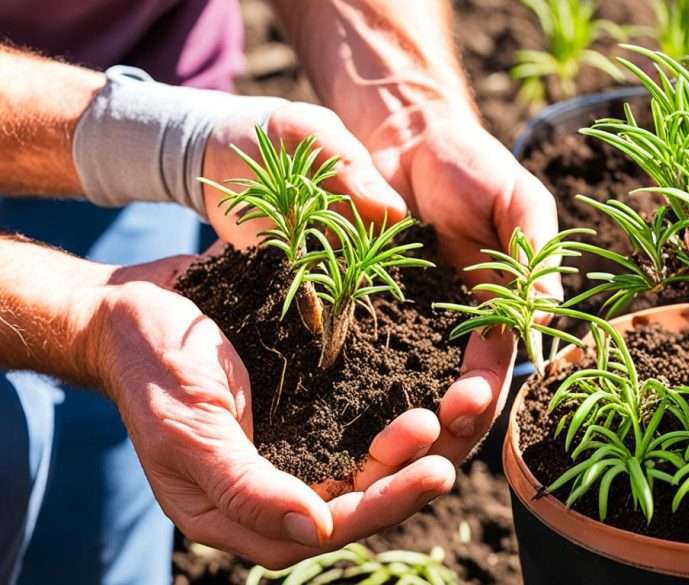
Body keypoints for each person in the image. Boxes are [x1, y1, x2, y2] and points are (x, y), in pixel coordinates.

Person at [0, 1, 559, 583]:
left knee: (107, 490)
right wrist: (81, 316)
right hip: (146, 127)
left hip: (151, 87)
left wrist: (412, 114)